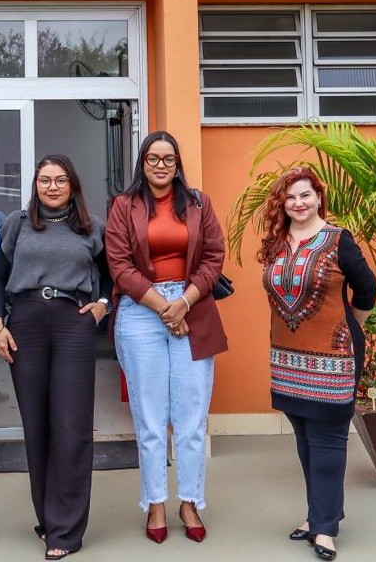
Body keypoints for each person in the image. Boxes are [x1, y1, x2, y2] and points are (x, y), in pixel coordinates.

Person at [105, 130, 228, 545]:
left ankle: (189, 500)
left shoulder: (198, 203)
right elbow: (119, 265)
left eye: (168, 158)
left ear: (177, 163)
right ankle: (155, 502)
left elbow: (214, 257)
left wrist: (185, 303)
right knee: (151, 419)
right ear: (142, 163)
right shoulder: (124, 206)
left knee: (192, 419)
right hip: (141, 311)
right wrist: (163, 306)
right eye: (153, 158)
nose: (161, 165)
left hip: (193, 307)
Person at [0, 154, 111, 560]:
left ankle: (67, 529)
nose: (53, 186)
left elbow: (111, 273)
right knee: (37, 426)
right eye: (45, 180)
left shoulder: (92, 228)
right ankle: (48, 518)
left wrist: (103, 304)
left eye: (60, 180)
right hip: (25, 324)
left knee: (72, 426)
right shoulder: (17, 224)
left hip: (72, 322)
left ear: (72, 185)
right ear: (36, 184)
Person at [256, 167, 376, 561]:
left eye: (305, 195)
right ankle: (320, 514)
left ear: (318, 197)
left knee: (327, 441)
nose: (298, 203)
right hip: (287, 358)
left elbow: (368, 288)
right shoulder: (278, 240)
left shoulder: (338, 239)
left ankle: (325, 529)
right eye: (291, 197)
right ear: (283, 203)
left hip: (333, 358)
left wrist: (350, 327)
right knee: (305, 440)